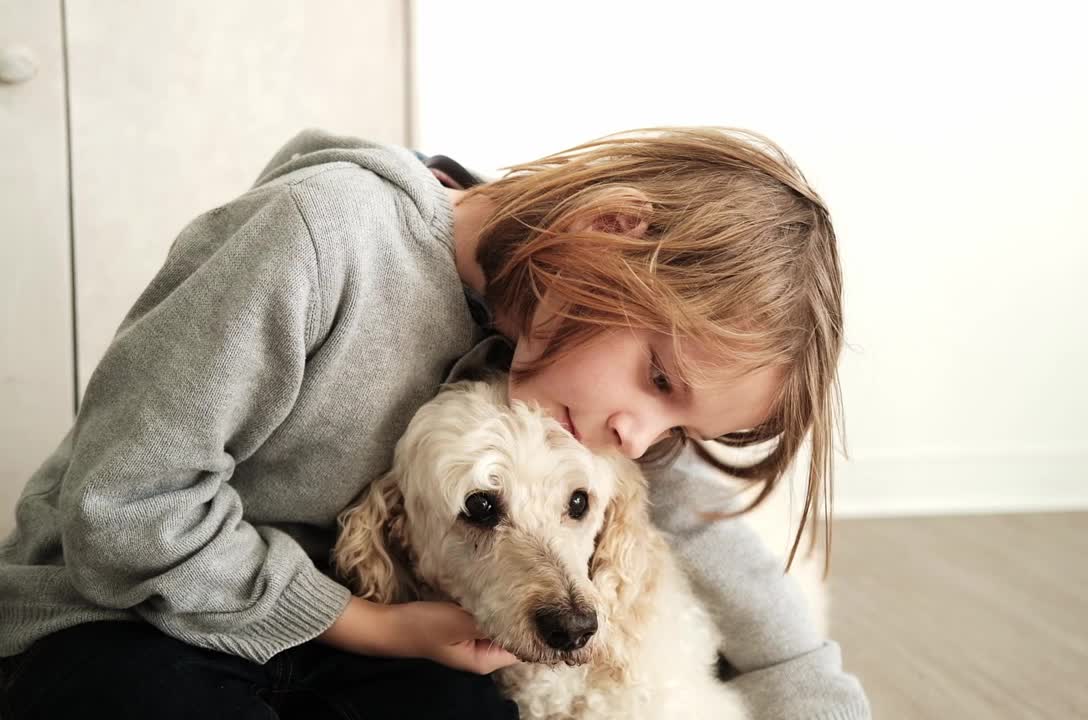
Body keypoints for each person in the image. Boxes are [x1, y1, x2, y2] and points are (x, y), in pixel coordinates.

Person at [0, 128, 871, 719]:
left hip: (353, 636)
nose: (639, 437)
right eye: (660, 380)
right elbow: (124, 503)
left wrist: (810, 692)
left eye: (673, 422)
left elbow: (709, 538)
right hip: (125, 610)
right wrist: (367, 625)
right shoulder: (319, 238)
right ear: (610, 234)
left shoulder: (566, 362)